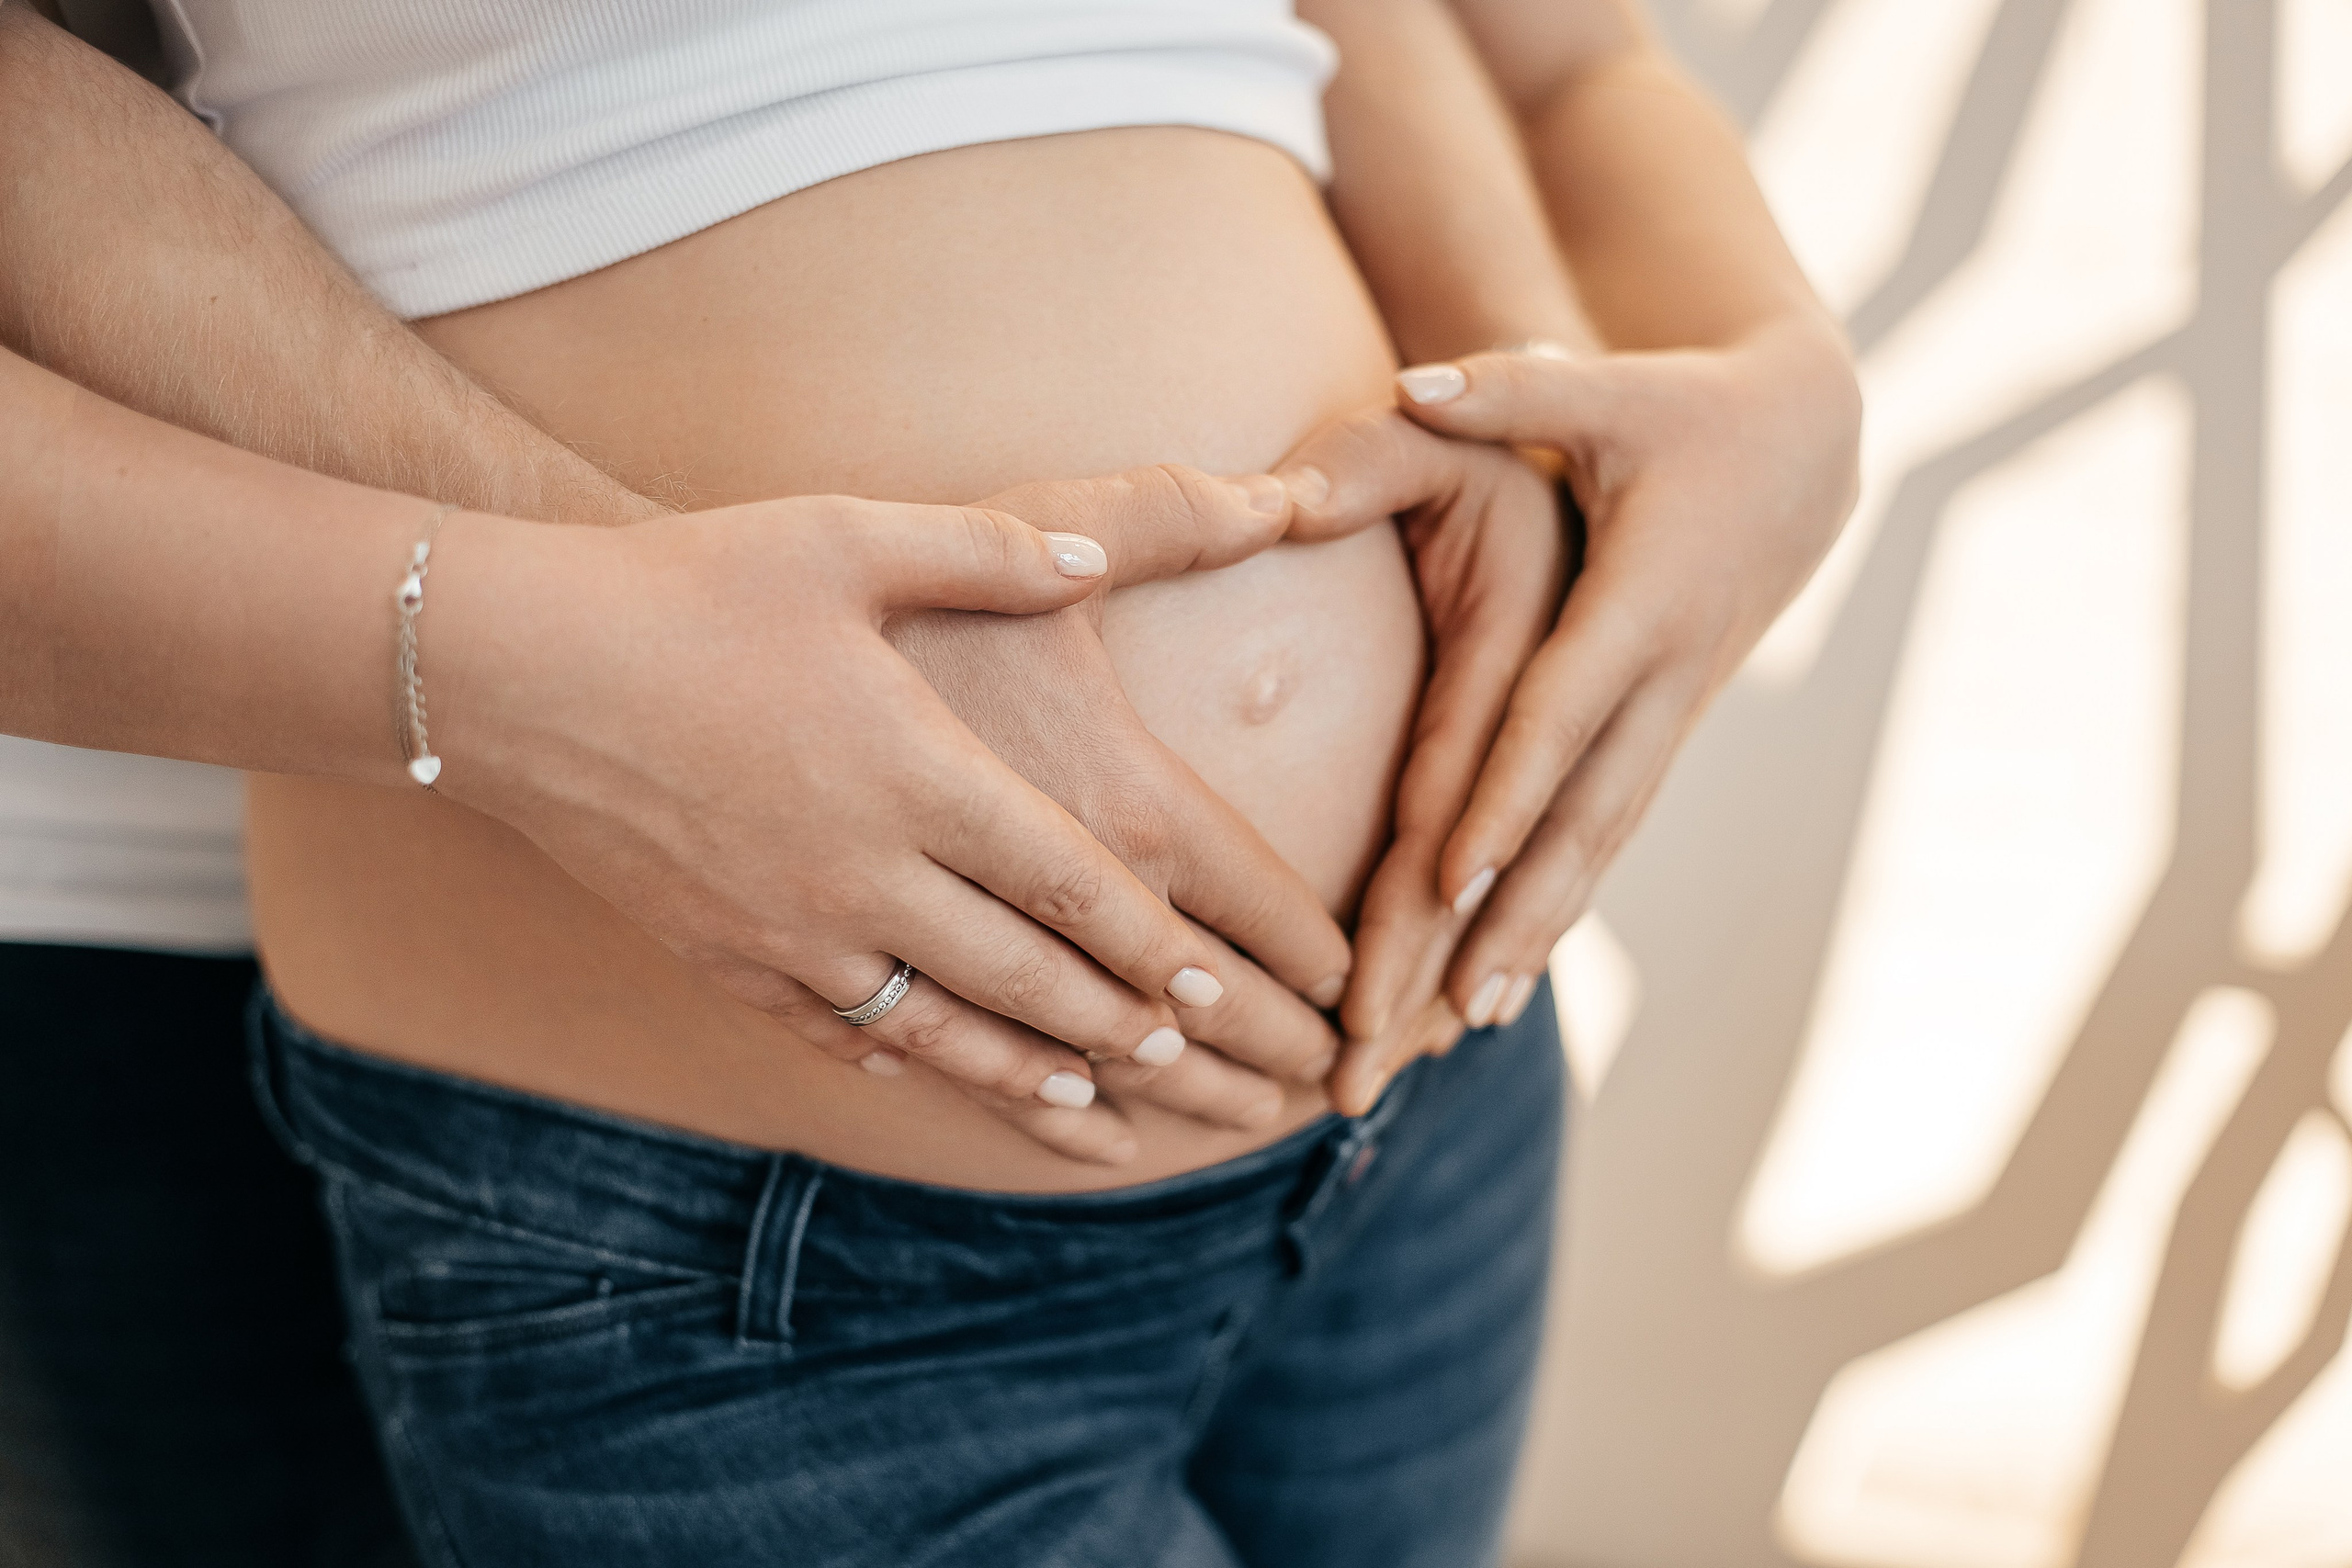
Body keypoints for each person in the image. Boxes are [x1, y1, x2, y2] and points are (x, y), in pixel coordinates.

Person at [1, 1, 1860, 1562]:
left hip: (1430, 1095)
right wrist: (551, 660)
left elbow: (1546, 51)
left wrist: (1747, 384)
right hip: (722, 1247)